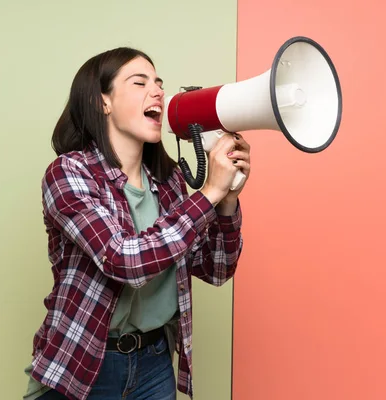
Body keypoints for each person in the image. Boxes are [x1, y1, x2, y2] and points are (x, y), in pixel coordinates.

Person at [23, 47, 250, 400]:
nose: (158, 91)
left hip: (154, 363)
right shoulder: (69, 173)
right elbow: (123, 260)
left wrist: (228, 199)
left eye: (159, 83)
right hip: (85, 363)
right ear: (103, 102)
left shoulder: (169, 181)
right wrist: (208, 194)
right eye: (139, 82)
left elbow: (215, 269)